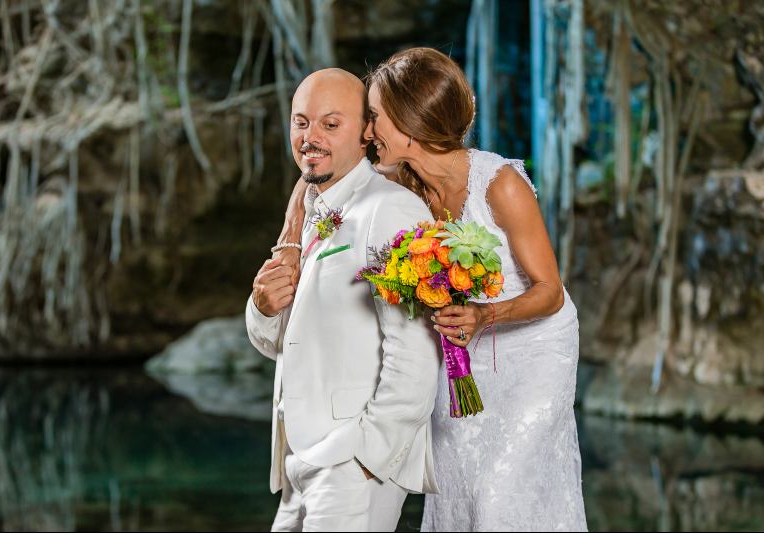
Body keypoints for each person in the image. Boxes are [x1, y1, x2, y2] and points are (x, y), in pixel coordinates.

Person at [274, 48, 588, 532]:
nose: (366, 131)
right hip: (461, 353)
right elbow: (311, 179)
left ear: (409, 124)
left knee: (500, 492)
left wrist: (486, 315)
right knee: (461, 481)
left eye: (374, 118)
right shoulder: (400, 179)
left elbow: (550, 292)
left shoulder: (500, 185)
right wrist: (292, 242)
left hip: (533, 353)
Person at [245, 67, 441, 532]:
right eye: (301, 122)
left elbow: (416, 351)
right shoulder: (313, 210)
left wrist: (369, 455)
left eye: (330, 125)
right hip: (297, 458)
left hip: (351, 463)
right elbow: (276, 341)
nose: (310, 137)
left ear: (366, 133)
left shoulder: (391, 208)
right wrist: (263, 307)